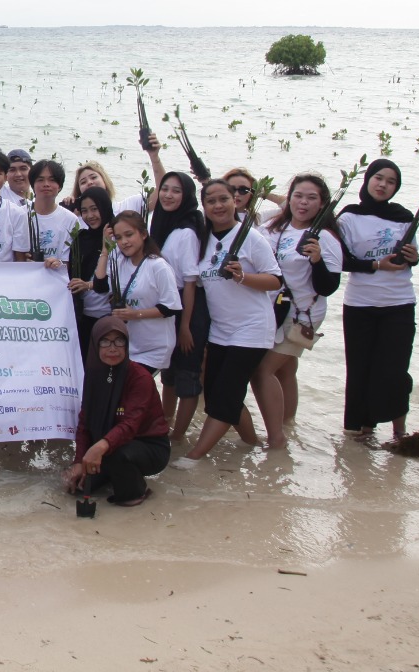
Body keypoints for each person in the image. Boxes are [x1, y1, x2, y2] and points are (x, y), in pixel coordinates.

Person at [180, 180, 283, 463]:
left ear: (234, 201)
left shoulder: (250, 237)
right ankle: (252, 443)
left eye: (223, 199)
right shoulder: (203, 240)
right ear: (204, 206)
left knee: (226, 396)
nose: (218, 205)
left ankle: (195, 456)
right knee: (215, 396)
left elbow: (276, 279)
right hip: (220, 330)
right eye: (211, 201)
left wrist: (243, 277)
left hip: (252, 328)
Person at [256, 174, 344, 447]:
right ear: (289, 198)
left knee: (262, 371)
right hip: (273, 309)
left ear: (322, 204)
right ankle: (288, 426)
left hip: (301, 314)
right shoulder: (273, 227)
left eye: (311, 198)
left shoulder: (325, 238)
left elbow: (329, 287)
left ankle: (276, 437)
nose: (303, 203)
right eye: (298, 196)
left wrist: (317, 260)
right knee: (285, 370)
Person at [337, 158, 419, 441]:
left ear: (396, 187)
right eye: (378, 178)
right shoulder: (349, 217)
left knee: (395, 371)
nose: (383, 185)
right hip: (360, 304)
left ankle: (399, 430)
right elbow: (341, 261)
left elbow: (411, 257)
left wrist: (413, 258)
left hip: (399, 302)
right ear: (368, 179)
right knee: (360, 368)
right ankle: (364, 429)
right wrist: (376, 265)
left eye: (391, 181)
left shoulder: (404, 217)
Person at [63, 317, 170, 507]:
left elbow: (130, 425)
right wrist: (79, 461)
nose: (112, 348)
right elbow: (85, 422)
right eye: (105, 342)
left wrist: (98, 448)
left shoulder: (140, 377)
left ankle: (137, 491)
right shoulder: (93, 375)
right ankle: (110, 473)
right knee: (78, 487)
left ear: (127, 344)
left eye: (119, 341)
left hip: (148, 446)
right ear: (95, 345)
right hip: (108, 445)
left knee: (118, 457)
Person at [147, 171, 205, 434]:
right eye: (165, 189)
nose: (168, 195)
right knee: (168, 375)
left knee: (188, 376)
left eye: (176, 191)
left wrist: (185, 327)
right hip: (168, 305)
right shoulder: (162, 223)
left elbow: (190, 283)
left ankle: (179, 436)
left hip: (186, 307)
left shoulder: (186, 232)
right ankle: (164, 425)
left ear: (187, 196)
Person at [98, 212, 181, 377]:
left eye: (129, 235)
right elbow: (99, 285)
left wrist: (136, 314)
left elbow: (171, 307)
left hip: (154, 347)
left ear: (143, 234)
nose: (124, 242)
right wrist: (105, 250)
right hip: (128, 345)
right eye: (118, 237)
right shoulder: (120, 263)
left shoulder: (158, 266)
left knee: (135, 386)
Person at [67, 187, 115, 348]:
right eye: (84, 211)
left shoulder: (119, 238)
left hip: (110, 316)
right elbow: (70, 273)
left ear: (105, 206)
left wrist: (88, 285)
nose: (90, 216)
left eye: (95, 209)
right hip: (82, 314)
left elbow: (122, 277)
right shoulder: (81, 238)